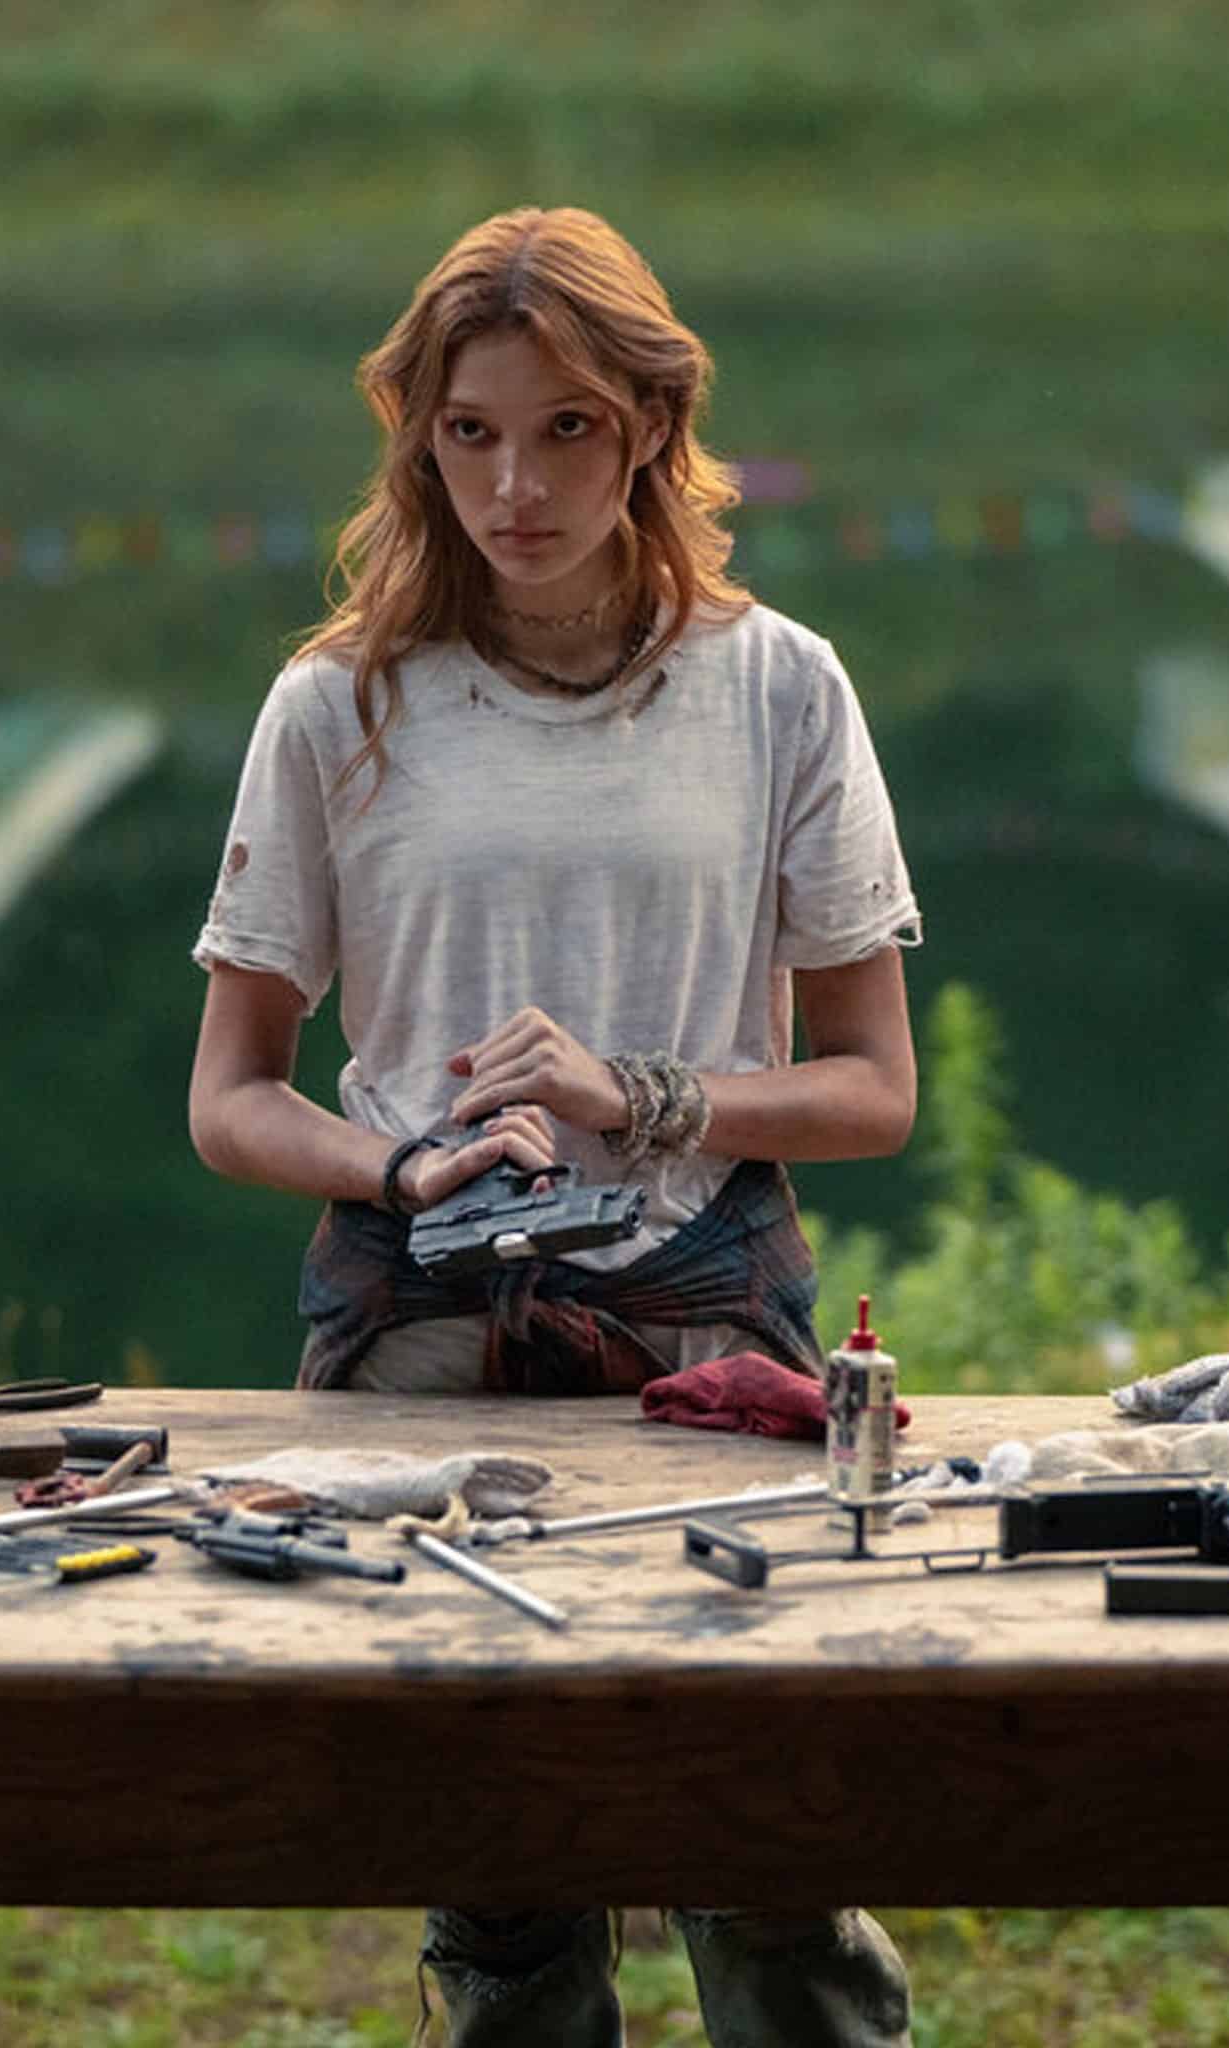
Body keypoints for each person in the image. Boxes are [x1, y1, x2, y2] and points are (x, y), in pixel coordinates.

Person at [189, 205, 921, 2048]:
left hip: (701, 1313)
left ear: (654, 427)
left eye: (568, 429)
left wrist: (640, 1094)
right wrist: (408, 1163)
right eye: (471, 433)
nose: (516, 485)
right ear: (419, 439)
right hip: (422, 1317)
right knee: (501, 1866)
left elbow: (874, 1091)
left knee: (764, 1844)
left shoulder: (776, 686)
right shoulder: (337, 702)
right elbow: (230, 1099)